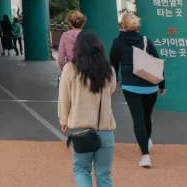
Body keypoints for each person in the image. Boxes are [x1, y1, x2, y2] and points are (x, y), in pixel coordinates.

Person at [59, 30, 117, 187]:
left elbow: (64, 98)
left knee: (81, 169)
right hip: (105, 128)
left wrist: (63, 119)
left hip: (80, 129)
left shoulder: (70, 69)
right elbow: (111, 90)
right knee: (103, 174)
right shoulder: (109, 70)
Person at [109, 12, 165, 168]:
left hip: (130, 85)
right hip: (150, 84)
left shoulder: (117, 42)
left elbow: (113, 64)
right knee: (147, 116)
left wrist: (115, 81)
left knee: (138, 118)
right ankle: (146, 140)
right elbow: (157, 62)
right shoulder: (145, 40)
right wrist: (162, 84)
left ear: (123, 25)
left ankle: (145, 155)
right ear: (136, 25)